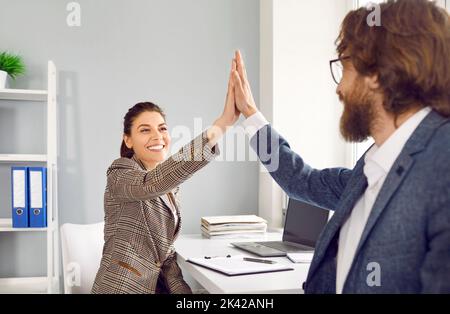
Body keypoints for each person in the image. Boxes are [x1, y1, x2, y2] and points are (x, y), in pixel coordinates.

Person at [231, 0, 450, 293]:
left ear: (376, 72)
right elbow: (302, 180)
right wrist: (251, 116)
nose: (339, 88)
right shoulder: (372, 165)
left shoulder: (441, 164)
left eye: (343, 65)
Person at [91, 60, 240, 294]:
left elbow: (166, 255)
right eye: (145, 130)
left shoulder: (171, 187)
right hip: (124, 287)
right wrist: (221, 125)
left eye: (162, 128)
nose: (157, 136)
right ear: (128, 140)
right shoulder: (120, 174)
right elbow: (152, 183)